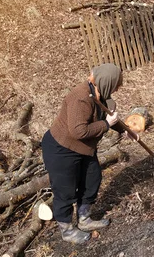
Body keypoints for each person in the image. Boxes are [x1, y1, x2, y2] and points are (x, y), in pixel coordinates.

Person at [41, 63, 125, 244]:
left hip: (84, 148)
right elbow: (78, 131)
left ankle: (84, 218)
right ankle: (67, 230)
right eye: (116, 84)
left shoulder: (100, 94)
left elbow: (108, 115)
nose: (118, 88)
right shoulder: (80, 97)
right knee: (65, 190)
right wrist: (107, 125)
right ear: (106, 82)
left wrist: (124, 130)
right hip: (61, 149)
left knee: (92, 179)